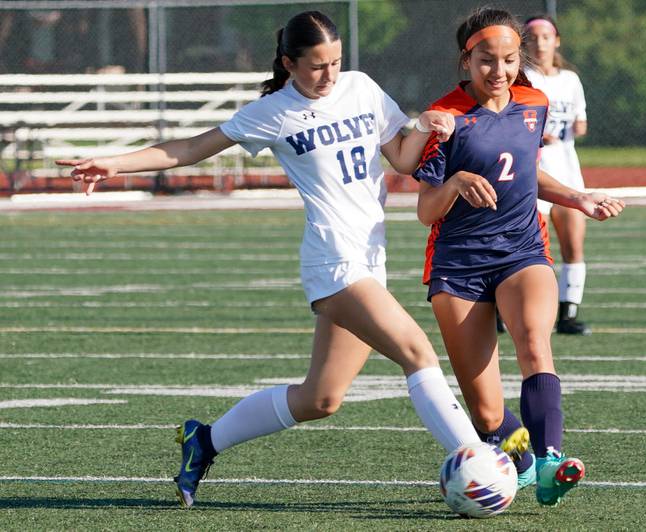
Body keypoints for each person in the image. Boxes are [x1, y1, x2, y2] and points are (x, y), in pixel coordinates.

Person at [58, 10, 482, 508]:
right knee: (417, 353)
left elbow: (404, 160)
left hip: (370, 259)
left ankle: (205, 441)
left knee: (321, 398)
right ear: (289, 63)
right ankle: (477, 459)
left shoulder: (362, 87)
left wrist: (429, 128)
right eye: (317, 65)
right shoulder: (273, 111)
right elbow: (192, 148)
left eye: (337, 62)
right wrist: (115, 163)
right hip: (333, 261)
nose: (329, 75)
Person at [413, 7, 625, 506]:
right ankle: (523, 460)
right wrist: (456, 183)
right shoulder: (446, 117)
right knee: (487, 415)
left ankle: (551, 462)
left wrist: (578, 197)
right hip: (459, 264)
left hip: (521, 250)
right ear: (466, 61)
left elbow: (527, 173)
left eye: (509, 60)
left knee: (534, 341)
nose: (500, 71)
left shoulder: (535, 101)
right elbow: (426, 210)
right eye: (487, 60)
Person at [523, 14, 592, 335]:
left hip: (566, 171)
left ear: (557, 41)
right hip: (532, 173)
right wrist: (535, 134)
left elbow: (580, 121)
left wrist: (578, 126)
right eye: (533, 37)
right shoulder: (521, 77)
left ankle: (568, 314)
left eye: (546, 37)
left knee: (573, 245)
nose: (540, 43)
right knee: (530, 249)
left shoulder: (570, 80)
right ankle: (507, 310)